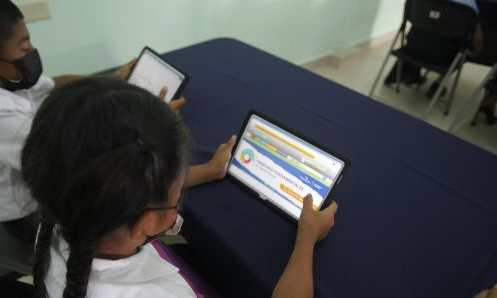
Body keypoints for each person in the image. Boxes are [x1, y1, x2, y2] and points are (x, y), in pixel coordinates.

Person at [0, 0, 231, 243]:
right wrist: (160, 128)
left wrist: (113, 80)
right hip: (24, 217)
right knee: (119, 183)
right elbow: (97, 170)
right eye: (24, 47)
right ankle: (207, 173)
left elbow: (52, 85)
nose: (32, 52)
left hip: (21, 182)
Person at [21, 77, 338, 298]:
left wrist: (210, 170)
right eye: (176, 186)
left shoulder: (57, 218)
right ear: (146, 223)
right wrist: (307, 238)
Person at [383, 0, 483, 98]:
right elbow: (477, 40)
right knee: (463, 52)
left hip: (412, 49)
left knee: (426, 33)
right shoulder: (469, 4)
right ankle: (438, 84)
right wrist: (477, 51)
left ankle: (411, 73)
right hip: (443, 57)